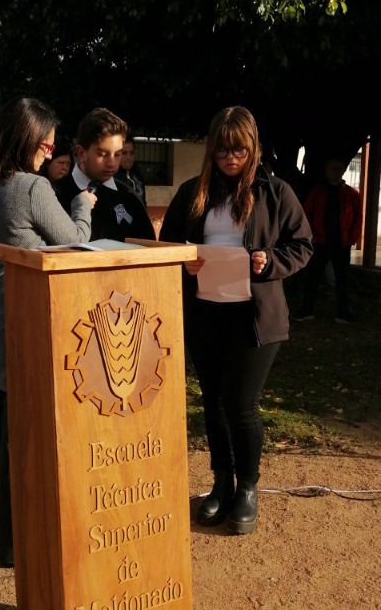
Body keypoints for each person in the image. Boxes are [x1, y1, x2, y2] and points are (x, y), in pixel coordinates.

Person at [160, 106, 312, 534]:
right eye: (222, 150)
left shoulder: (275, 191)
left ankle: (247, 487)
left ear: (253, 148)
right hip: (205, 313)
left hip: (254, 318)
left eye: (239, 150)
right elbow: (167, 245)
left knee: (240, 404)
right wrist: (184, 261)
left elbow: (303, 245)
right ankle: (221, 482)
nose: (230, 158)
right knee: (212, 402)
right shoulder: (193, 192)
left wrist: (270, 261)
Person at [0, 96, 96, 566]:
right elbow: (76, 242)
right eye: (47, 145)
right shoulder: (33, 188)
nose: (50, 153)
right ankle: (20, 541)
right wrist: (82, 205)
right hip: (32, 321)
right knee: (28, 429)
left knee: (0, 417)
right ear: (30, 141)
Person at [53, 107, 156, 242]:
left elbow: (149, 248)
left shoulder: (130, 198)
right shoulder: (54, 196)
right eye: (102, 154)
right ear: (81, 153)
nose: (111, 163)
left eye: (117, 154)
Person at [292, 157, 363, 324]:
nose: (335, 171)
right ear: (326, 171)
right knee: (313, 278)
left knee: (342, 279)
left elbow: (358, 218)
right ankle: (307, 310)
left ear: (343, 171)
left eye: (338, 168)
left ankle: (343, 313)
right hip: (320, 242)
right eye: (332, 168)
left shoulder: (352, 194)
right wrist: (312, 237)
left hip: (342, 243)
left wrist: (352, 239)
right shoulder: (317, 192)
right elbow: (306, 215)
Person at [116, 134, 147, 205]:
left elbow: (143, 203)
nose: (129, 157)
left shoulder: (138, 176)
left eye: (131, 153)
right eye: (124, 153)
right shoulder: (111, 179)